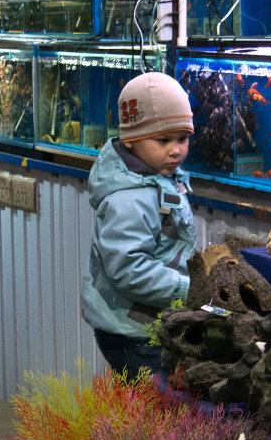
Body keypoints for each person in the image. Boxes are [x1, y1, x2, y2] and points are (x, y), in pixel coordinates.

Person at [82, 72, 197, 378]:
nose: (176, 150)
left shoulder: (159, 178)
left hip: (149, 319)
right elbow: (129, 269)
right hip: (133, 330)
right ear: (131, 140)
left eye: (182, 138)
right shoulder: (128, 199)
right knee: (154, 406)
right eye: (163, 140)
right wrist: (187, 289)